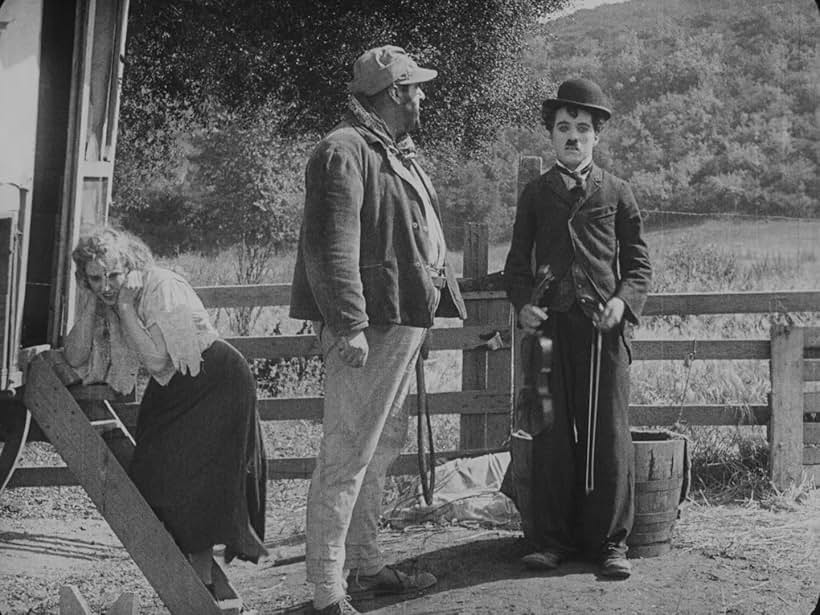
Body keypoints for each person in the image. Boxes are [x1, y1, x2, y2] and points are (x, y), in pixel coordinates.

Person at [290, 45, 466, 615]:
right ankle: (327, 593)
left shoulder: (389, 149)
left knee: (381, 444)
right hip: (371, 327)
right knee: (346, 454)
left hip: (400, 318)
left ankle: (364, 566)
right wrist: (348, 326)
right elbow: (330, 248)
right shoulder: (343, 150)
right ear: (393, 93)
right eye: (415, 86)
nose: (422, 95)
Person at [63, 226, 268, 595]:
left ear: (129, 266)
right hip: (177, 388)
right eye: (95, 278)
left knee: (195, 482)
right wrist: (93, 301)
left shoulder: (160, 288)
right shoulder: (105, 300)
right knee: (157, 474)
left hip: (215, 379)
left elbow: (157, 362)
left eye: (113, 275)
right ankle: (200, 581)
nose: (107, 285)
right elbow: (74, 356)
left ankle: (203, 585)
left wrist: (124, 306)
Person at [503, 78, 652, 579]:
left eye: (582, 129)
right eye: (563, 127)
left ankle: (610, 545)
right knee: (548, 433)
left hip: (603, 332)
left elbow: (638, 267)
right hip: (548, 331)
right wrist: (523, 305)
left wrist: (622, 303)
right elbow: (516, 268)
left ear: (596, 136)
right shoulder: (535, 193)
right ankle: (550, 542)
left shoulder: (617, 191)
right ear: (551, 135)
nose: (573, 136)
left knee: (607, 436)